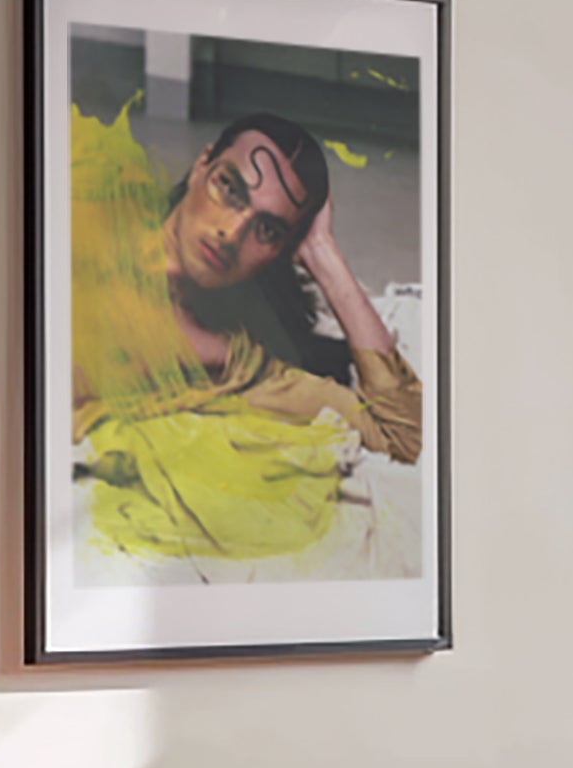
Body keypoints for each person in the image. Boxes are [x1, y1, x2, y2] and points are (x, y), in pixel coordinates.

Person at [71, 102, 422, 568]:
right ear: (202, 166)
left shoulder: (240, 365)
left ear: (283, 252)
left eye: (267, 229)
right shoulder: (91, 210)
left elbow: (401, 433)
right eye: (230, 189)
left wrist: (323, 254)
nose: (232, 232)